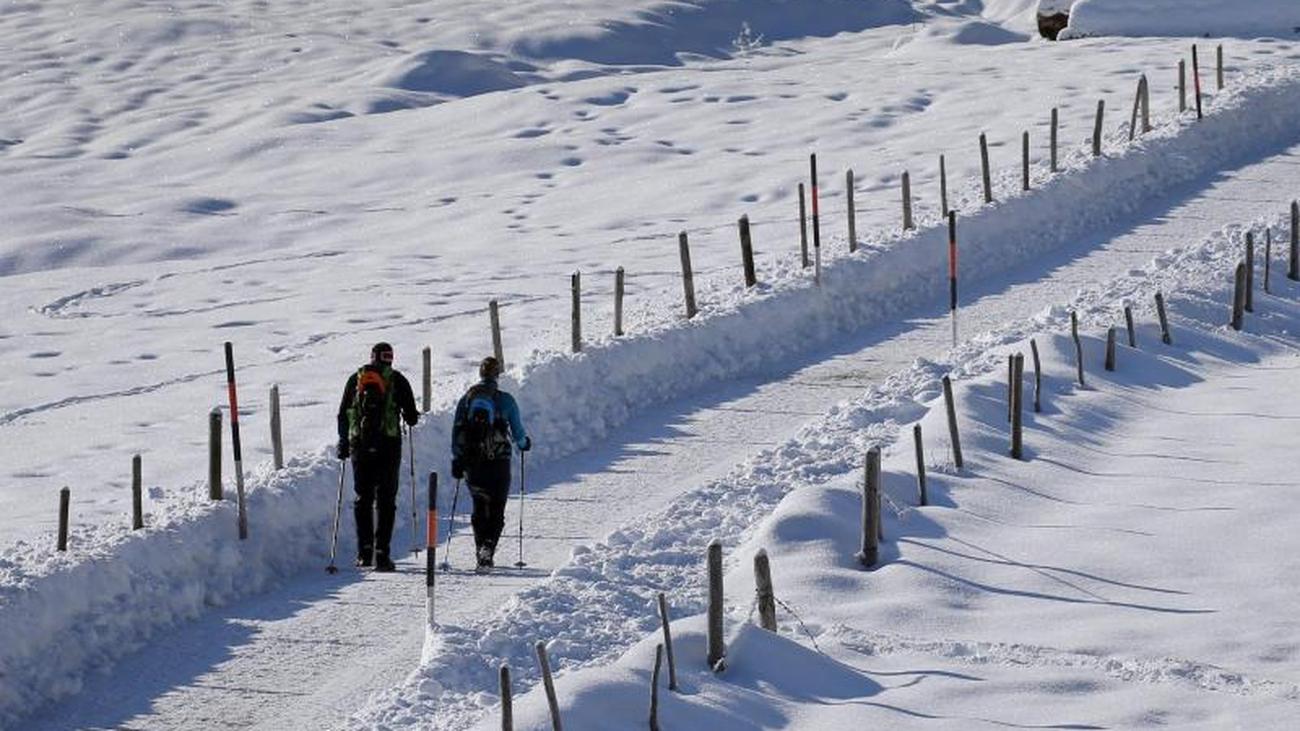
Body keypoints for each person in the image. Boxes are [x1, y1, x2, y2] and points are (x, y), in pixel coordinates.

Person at [337, 342, 419, 572]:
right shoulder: (398, 379)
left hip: (359, 445)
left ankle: (364, 553)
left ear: (371, 357)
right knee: (386, 499)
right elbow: (412, 417)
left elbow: (342, 413)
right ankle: (382, 554)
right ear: (390, 358)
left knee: (363, 497)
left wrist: (344, 442)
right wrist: (406, 413)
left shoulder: (356, 379)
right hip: (388, 445)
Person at [451, 356, 530, 570]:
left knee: (479, 507)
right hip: (499, 462)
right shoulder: (506, 400)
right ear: (497, 375)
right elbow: (518, 433)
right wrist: (524, 444)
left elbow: (457, 431)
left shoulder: (467, 399)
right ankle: (488, 548)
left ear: (480, 374)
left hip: (473, 463)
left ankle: (480, 552)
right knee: (497, 508)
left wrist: (458, 459)